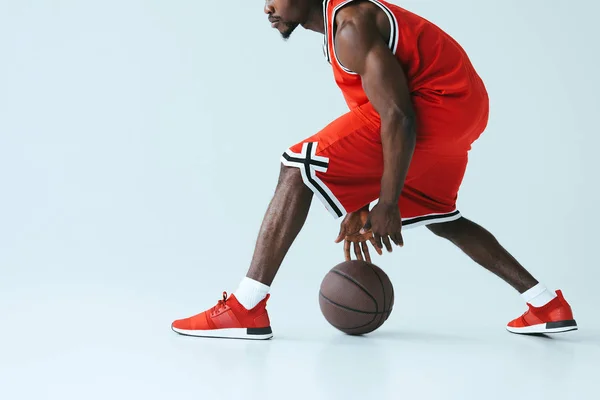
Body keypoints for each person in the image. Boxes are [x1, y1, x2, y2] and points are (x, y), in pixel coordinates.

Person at [171, 0, 577, 339]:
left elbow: (397, 116)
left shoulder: (351, 25)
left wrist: (386, 201)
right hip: (461, 111)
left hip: (435, 108)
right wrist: (365, 198)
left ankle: (246, 307)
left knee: (298, 164)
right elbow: (380, 124)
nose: (266, 7)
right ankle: (545, 304)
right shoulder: (342, 27)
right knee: (441, 215)